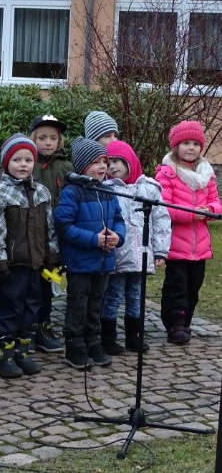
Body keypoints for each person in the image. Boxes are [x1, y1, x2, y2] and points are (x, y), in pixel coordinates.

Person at [0, 134, 59, 378]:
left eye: (28, 160)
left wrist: (51, 255)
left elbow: (49, 226)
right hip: (11, 264)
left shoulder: (41, 192)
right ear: (6, 163)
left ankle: (22, 351)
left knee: (32, 307)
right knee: (9, 308)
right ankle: (3, 355)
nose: (23, 165)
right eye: (16, 159)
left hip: (36, 263)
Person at [54, 137, 125, 370]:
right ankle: (74, 345)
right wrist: (93, 240)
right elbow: (64, 226)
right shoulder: (72, 192)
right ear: (84, 166)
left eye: (105, 161)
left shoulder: (108, 192)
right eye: (97, 162)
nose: (103, 166)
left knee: (97, 302)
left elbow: (118, 220)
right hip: (80, 262)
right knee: (78, 303)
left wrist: (118, 236)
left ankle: (94, 341)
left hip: (104, 261)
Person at [155, 121, 222, 344]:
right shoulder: (167, 173)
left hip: (200, 246)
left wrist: (210, 210)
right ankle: (175, 324)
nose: (191, 148)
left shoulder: (206, 174)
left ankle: (186, 321)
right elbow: (165, 208)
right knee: (177, 287)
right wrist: (193, 213)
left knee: (193, 287)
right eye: (185, 143)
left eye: (195, 143)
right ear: (176, 146)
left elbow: (215, 201)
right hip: (176, 245)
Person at [101, 141, 171, 354]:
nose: (112, 167)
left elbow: (161, 220)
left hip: (141, 254)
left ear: (129, 161)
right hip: (117, 255)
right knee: (113, 295)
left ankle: (134, 336)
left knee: (136, 296)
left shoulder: (149, 189)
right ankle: (108, 338)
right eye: (108, 162)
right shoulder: (107, 189)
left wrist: (160, 250)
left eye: (116, 161)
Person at [28, 114, 73, 353]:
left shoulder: (65, 167)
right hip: (31, 238)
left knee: (48, 284)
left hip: (55, 240)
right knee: (30, 286)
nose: (48, 142)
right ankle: (27, 327)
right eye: (42, 137)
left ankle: (44, 325)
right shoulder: (27, 164)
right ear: (33, 139)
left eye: (53, 138)